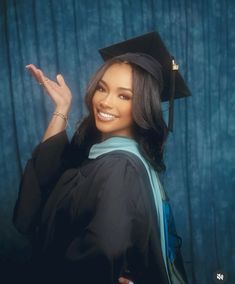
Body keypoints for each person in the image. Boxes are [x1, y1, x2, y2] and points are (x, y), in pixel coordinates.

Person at [13, 32, 189, 284]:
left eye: (124, 96)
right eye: (102, 88)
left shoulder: (119, 167)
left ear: (143, 105)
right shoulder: (113, 155)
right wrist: (62, 108)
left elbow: (100, 256)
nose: (105, 102)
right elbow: (47, 182)